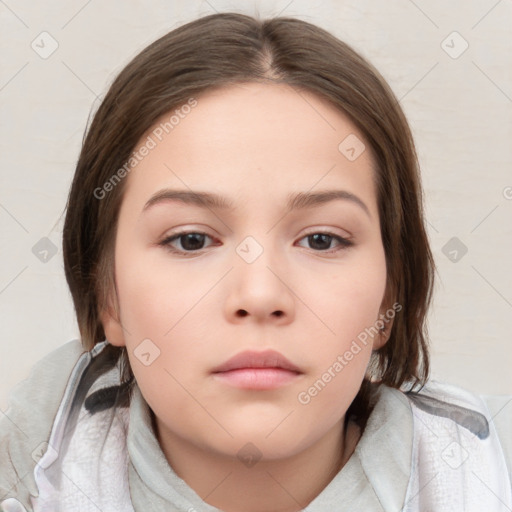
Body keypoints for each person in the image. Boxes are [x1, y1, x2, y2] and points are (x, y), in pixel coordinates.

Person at [0, 12, 510, 512]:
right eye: (192, 240)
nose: (260, 295)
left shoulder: (485, 479)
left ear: (390, 293)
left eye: (322, 241)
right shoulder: (24, 474)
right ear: (107, 294)